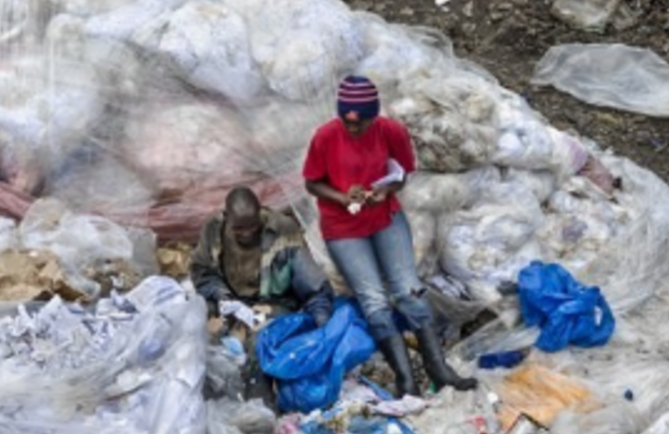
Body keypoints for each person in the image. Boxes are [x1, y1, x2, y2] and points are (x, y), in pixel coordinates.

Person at [302, 75, 476, 397]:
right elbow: (312, 182)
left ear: (373, 114)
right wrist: (343, 197)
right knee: (374, 299)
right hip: (343, 227)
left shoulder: (391, 131)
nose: (353, 129)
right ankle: (405, 378)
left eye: (361, 122)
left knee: (410, 289)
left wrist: (387, 189)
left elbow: (402, 173)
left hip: (385, 216)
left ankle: (438, 367)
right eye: (347, 122)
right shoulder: (325, 136)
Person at [190, 187, 334, 401]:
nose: (247, 233)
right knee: (199, 337)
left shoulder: (283, 230)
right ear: (227, 218)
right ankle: (214, 403)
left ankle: (260, 406)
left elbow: (314, 287)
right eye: (239, 228)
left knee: (259, 344)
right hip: (231, 301)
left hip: (274, 304)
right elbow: (201, 273)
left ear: (260, 214)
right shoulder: (214, 230)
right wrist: (222, 296)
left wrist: (323, 332)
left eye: (252, 226)